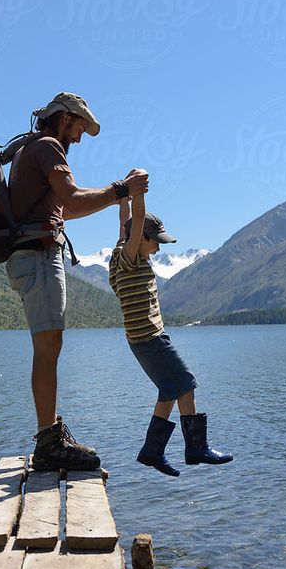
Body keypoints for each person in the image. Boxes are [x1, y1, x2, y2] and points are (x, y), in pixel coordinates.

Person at [6, 92, 149, 472]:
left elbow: (66, 207)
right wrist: (122, 190)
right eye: (81, 127)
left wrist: (115, 195)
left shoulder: (32, 150)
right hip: (38, 255)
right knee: (49, 342)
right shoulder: (49, 147)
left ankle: (49, 434)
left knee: (49, 343)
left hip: (32, 254)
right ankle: (48, 443)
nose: (81, 138)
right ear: (65, 118)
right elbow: (71, 197)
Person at [108, 193, 233, 476]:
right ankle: (196, 449)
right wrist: (138, 192)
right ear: (140, 238)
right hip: (150, 338)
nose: (158, 249)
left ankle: (152, 452)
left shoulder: (119, 255)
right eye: (155, 242)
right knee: (186, 384)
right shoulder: (130, 259)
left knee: (168, 391)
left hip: (140, 340)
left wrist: (123, 200)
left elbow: (125, 222)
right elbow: (136, 221)